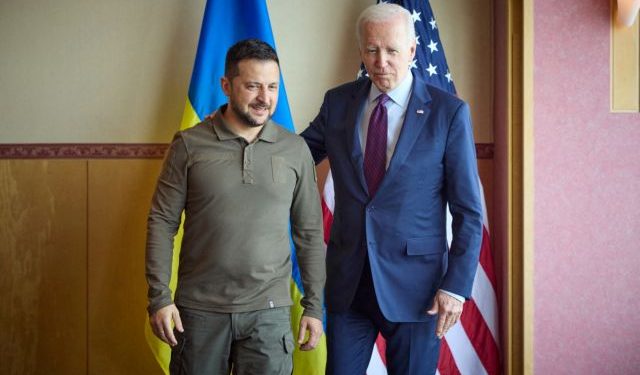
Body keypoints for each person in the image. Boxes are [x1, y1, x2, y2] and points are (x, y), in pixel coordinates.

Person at [300, 3, 483, 374]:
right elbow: (296, 154)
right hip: (349, 284)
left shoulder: (448, 114)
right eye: (371, 50)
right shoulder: (338, 103)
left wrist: (456, 287)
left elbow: (468, 211)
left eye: (392, 50)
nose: (381, 61)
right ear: (362, 51)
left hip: (419, 291)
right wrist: (243, 133)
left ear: (413, 51)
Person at [145, 39, 325, 375]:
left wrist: (314, 307)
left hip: (269, 314)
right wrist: (160, 298)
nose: (264, 98)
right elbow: (161, 222)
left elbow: (310, 233)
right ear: (226, 85)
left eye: (272, 86)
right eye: (253, 85)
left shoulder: (295, 150)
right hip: (198, 313)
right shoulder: (188, 145)